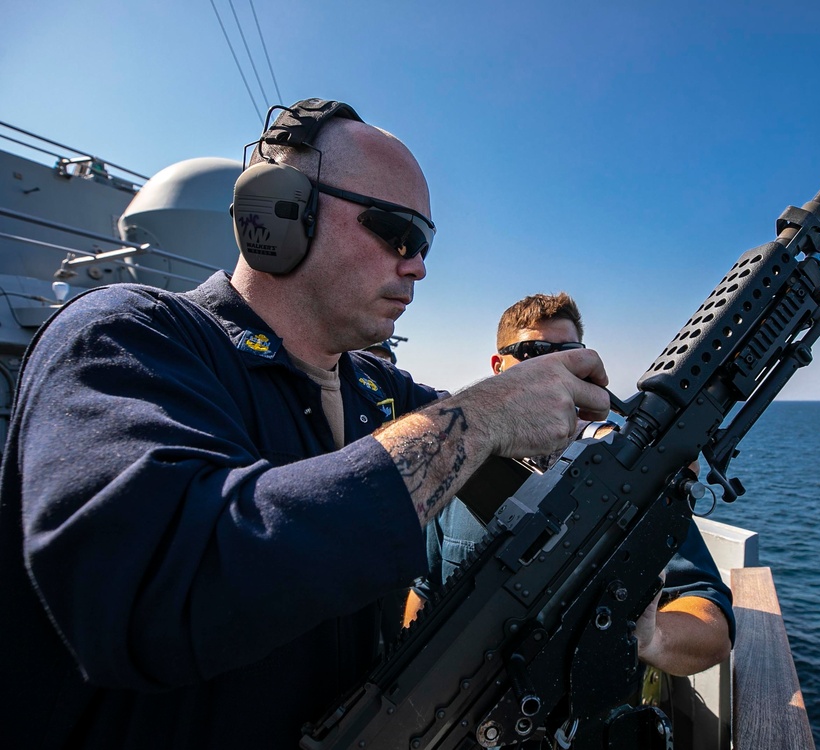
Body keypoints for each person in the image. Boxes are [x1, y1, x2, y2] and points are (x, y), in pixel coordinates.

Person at [0, 100, 611, 749]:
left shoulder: (372, 389)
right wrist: (486, 415)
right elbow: (156, 592)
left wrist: (609, 438)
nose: (418, 266)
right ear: (282, 212)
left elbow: (493, 444)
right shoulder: (125, 337)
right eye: (398, 234)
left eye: (425, 245)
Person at [409, 292, 735, 679]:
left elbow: (712, 623)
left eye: (570, 352)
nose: (555, 366)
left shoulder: (619, 480)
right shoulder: (457, 468)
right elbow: (425, 592)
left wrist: (650, 638)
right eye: (534, 351)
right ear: (498, 366)